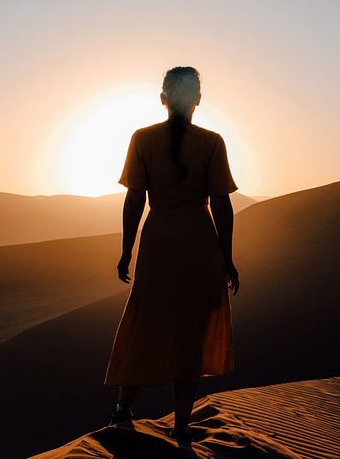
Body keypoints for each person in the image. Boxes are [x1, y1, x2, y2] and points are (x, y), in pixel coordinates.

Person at [103, 66, 240, 443]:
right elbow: (221, 205)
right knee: (192, 331)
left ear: (163, 99)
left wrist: (126, 250)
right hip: (199, 242)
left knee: (146, 320)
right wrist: (227, 258)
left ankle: (122, 410)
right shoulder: (212, 142)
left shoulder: (142, 139)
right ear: (197, 98)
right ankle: (181, 424)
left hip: (159, 240)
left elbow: (135, 199)